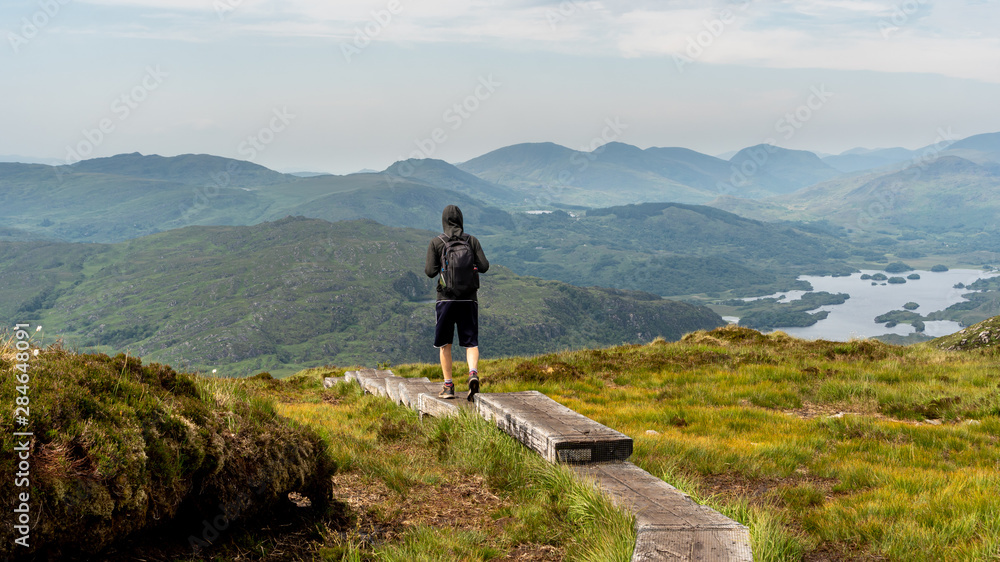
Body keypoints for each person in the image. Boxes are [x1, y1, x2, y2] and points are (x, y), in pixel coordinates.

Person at [424, 205, 490, 400]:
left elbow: (430, 271)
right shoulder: (472, 241)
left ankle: (448, 387)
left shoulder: (437, 242)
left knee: (445, 344)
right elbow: (484, 267)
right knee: (471, 342)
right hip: (469, 298)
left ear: (443, 221)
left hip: (446, 299)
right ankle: (473, 373)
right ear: (461, 220)